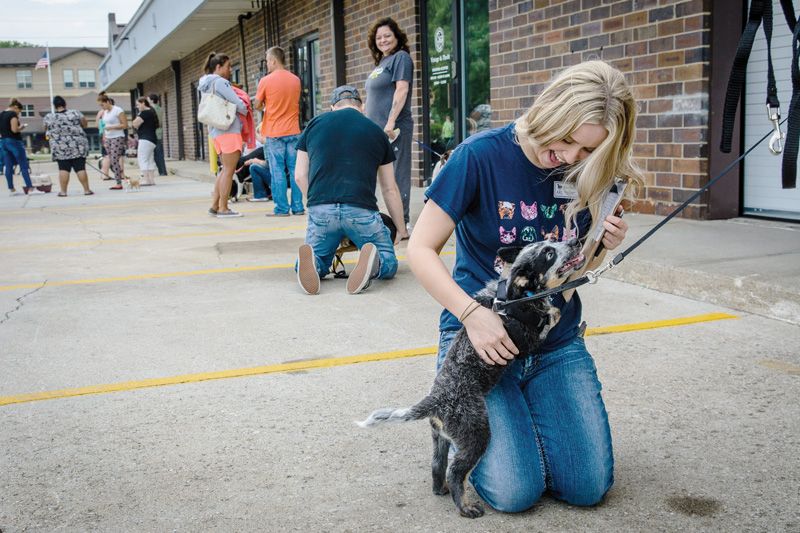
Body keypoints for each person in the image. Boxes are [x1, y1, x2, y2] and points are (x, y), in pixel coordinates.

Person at [406, 61, 643, 513]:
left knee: (587, 487)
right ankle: (453, 416)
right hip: (479, 345)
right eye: (568, 139)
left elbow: (569, 274)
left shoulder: (588, 167)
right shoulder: (478, 156)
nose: (572, 156)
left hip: (553, 344)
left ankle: (528, 407)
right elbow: (420, 248)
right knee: (517, 493)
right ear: (550, 110)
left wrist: (601, 247)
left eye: (587, 148)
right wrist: (473, 315)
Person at [294, 86, 409, 295]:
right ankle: (375, 263)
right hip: (360, 210)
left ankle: (314, 263)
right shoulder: (376, 131)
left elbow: (299, 175)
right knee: (389, 260)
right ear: (361, 107)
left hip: (322, 209)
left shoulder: (313, 125)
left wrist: (316, 202)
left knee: (319, 256)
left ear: (332, 107)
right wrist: (401, 230)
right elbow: (390, 188)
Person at [365, 17, 414, 233]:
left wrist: (391, 122)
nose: (383, 40)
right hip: (375, 130)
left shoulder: (401, 58)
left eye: (387, 36)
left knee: (396, 174)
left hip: (394, 129)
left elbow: (401, 90)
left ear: (397, 37)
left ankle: (402, 224)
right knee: (378, 175)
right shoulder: (382, 63)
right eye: (378, 37)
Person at [254, 46, 303, 217]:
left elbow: (257, 105)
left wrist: (266, 104)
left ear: (273, 60)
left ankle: (281, 209)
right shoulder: (296, 80)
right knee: (295, 170)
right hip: (294, 130)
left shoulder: (265, 81)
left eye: (268, 61)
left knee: (278, 171)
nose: (267, 64)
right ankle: (298, 207)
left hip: (274, 132)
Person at [198, 52, 248, 218]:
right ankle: (223, 208)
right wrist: (245, 106)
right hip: (229, 130)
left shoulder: (206, 83)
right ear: (218, 67)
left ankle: (215, 206)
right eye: (228, 66)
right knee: (229, 170)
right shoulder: (220, 82)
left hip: (217, 132)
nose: (230, 69)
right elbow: (237, 103)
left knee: (224, 170)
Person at [43, 95, 93, 196]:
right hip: (77, 145)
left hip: (60, 147)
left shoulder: (49, 117)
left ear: (55, 106)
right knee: (80, 168)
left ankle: (63, 192)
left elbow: (45, 129)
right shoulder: (75, 113)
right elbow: (85, 124)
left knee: (63, 168)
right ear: (65, 104)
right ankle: (87, 190)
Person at [0, 98, 34, 195]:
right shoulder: (12, 114)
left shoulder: (1, 114)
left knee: (8, 166)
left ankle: (11, 188)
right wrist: (22, 127)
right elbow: (14, 130)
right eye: (19, 111)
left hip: (3, 142)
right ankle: (30, 187)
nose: (19, 113)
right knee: (23, 164)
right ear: (15, 107)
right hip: (14, 142)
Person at [99, 95, 128, 190]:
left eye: (102, 104)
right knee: (112, 160)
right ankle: (121, 180)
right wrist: (104, 136)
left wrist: (112, 127)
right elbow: (103, 125)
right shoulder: (105, 112)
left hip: (118, 137)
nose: (102, 107)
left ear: (107, 102)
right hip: (108, 138)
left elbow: (125, 125)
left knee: (115, 159)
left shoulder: (118, 110)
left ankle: (119, 182)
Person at [132, 97, 159, 186]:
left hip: (145, 139)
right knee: (150, 160)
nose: (137, 107)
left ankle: (146, 179)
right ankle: (151, 180)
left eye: (138, 104)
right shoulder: (151, 112)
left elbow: (135, 124)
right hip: (152, 139)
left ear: (143, 103)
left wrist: (138, 115)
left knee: (142, 159)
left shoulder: (144, 113)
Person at [147, 93, 168, 176]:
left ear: (152, 100)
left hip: (153, 133)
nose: (147, 101)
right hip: (159, 132)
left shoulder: (151, 109)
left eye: (148, 99)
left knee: (156, 153)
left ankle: (162, 171)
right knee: (159, 153)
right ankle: (162, 171)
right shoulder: (160, 108)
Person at [95, 93, 112, 181]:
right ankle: (104, 174)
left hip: (102, 134)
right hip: (106, 135)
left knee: (106, 156)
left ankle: (104, 174)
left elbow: (97, 125)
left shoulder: (99, 113)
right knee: (107, 156)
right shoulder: (104, 112)